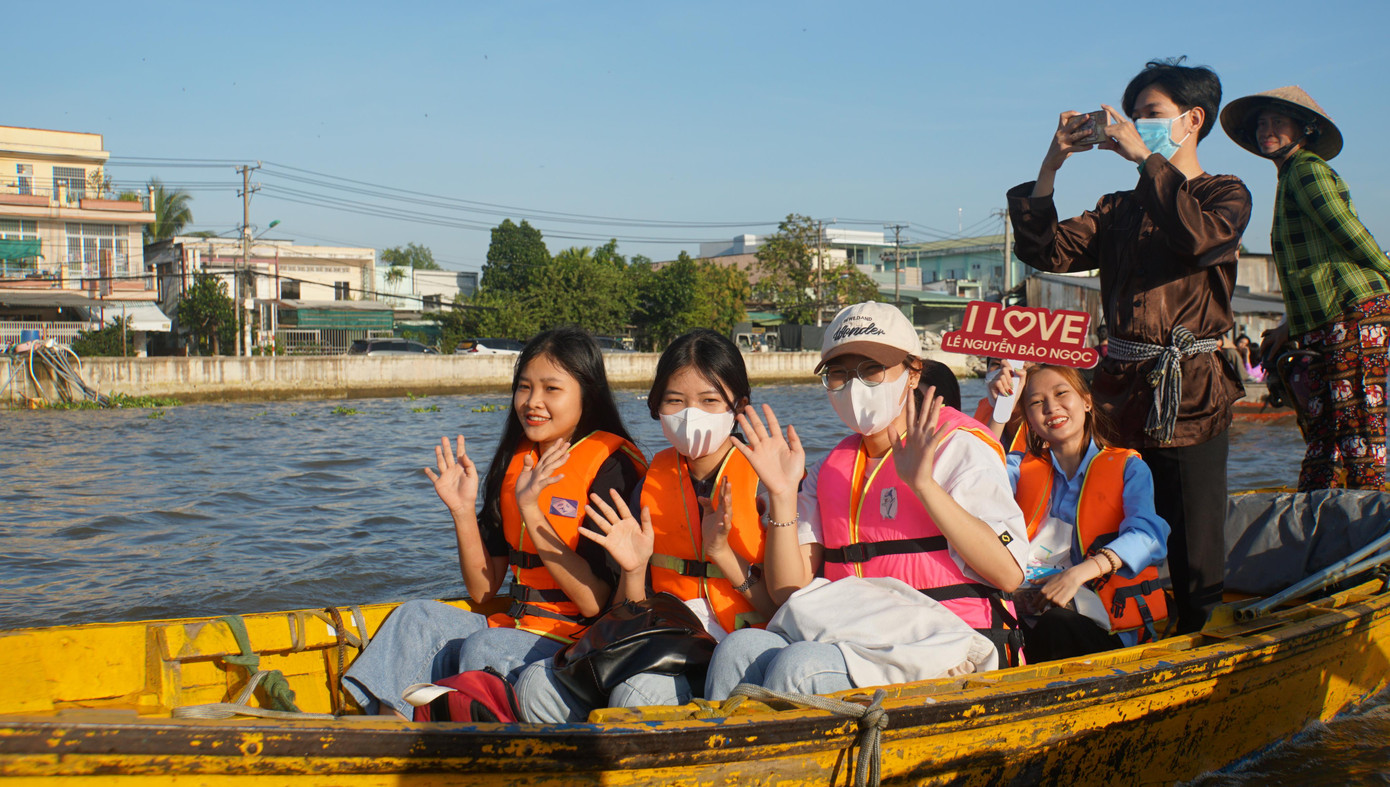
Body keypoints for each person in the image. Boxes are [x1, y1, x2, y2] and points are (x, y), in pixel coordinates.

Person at [1006, 57, 1252, 633]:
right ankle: (1110, 630)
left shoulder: (1225, 194)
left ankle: (1200, 642)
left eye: (1151, 115)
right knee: (1106, 510)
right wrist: (1052, 163)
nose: (1137, 125)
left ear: (1192, 120)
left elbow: (1198, 240)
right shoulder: (1118, 208)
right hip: (1120, 389)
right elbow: (1046, 252)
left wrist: (1147, 159)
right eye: (1135, 116)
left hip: (1191, 387)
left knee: (1193, 529)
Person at [704, 302, 1028, 699]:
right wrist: (783, 494)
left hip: (949, 640)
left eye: (871, 370)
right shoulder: (829, 468)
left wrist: (924, 484)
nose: (854, 386)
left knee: (800, 667)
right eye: (839, 375)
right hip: (852, 633)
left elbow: (1009, 574)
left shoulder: (961, 447)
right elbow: (790, 592)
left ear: (913, 373)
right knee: (737, 650)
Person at [342, 327, 646, 718]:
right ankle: (389, 737)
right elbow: (484, 590)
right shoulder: (516, 458)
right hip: (515, 625)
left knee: (485, 646)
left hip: (577, 647)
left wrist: (532, 511)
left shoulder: (613, 467)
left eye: (551, 389)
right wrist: (462, 510)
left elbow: (593, 602)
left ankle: (463, 746)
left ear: (587, 394)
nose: (533, 402)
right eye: (524, 387)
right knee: (414, 617)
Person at [514, 329, 807, 722]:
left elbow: (783, 608)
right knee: (534, 682)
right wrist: (633, 571)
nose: (691, 414)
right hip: (666, 643)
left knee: (639, 690)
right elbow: (625, 610)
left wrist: (722, 552)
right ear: (656, 406)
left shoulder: (771, 479)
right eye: (675, 400)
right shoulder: (648, 484)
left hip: (741, 649)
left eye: (709, 400)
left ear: (738, 406)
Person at [1221, 86, 1390, 490]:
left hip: (1353, 309)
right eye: (1262, 123)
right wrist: (1288, 325)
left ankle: (1369, 523)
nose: (1267, 130)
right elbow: (1306, 271)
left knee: (1357, 424)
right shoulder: (1291, 175)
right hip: (1325, 317)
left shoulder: (1308, 170)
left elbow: (1348, 233)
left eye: (1278, 122)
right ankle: (1318, 518)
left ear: (1306, 129)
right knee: (1323, 430)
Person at [987, 363, 1169, 661]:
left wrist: (1076, 575)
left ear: (1086, 401)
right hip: (1024, 609)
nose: (1051, 408)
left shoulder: (1129, 468)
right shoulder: (1018, 467)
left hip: (1099, 626)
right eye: (1036, 402)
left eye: (1061, 394)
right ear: (1028, 419)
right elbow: (977, 481)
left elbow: (1148, 535)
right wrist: (1000, 411)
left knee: (1056, 624)